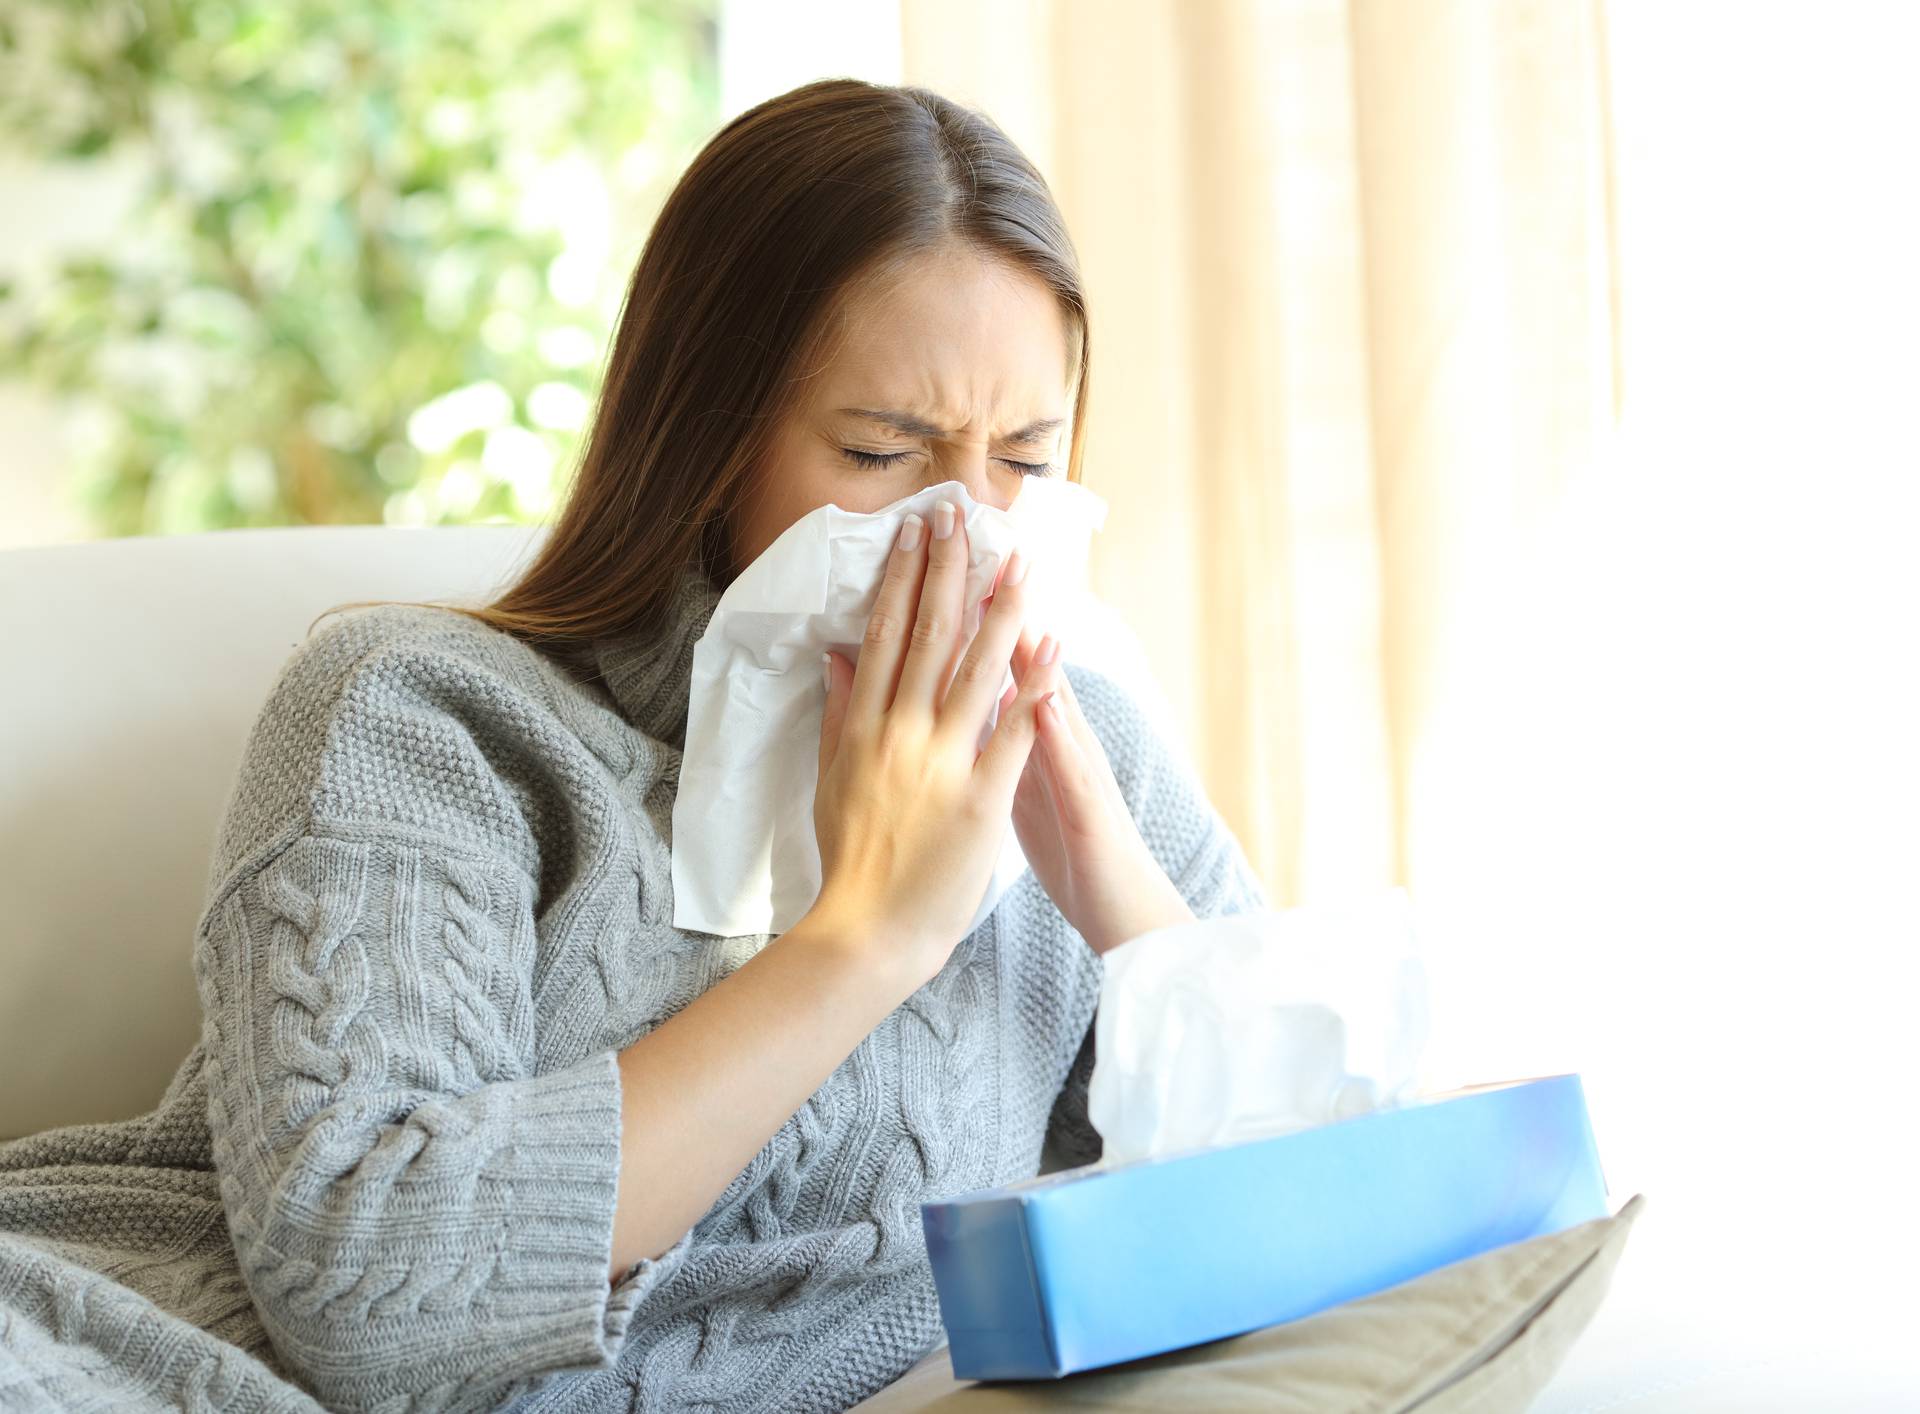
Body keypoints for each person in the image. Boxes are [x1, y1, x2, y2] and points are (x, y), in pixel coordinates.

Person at [0, 78, 1267, 1412]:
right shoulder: (420, 717)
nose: (965, 528)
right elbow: (368, 1290)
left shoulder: (1081, 750)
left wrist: (1128, 918)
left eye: (1024, 455)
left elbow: (1345, 1186)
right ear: (710, 444)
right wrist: (866, 939)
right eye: (884, 450)